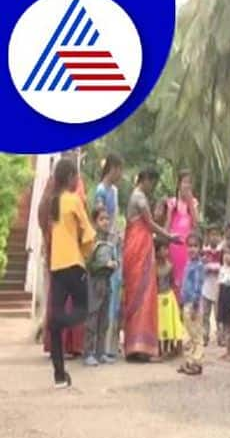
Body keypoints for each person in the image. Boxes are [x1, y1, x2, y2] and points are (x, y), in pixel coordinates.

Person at [47, 158, 95, 387]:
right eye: (76, 176)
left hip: (56, 267)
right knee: (83, 311)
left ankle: (59, 376)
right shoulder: (74, 200)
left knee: (54, 326)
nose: (78, 180)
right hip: (74, 265)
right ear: (70, 178)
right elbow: (89, 235)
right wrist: (85, 253)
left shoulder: (54, 201)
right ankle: (59, 321)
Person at [123, 168, 177, 361]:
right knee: (144, 295)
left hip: (136, 247)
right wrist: (170, 236)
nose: (152, 187)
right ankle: (142, 347)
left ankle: (134, 346)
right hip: (139, 249)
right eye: (151, 183)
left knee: (136, 295)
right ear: (144, 180)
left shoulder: (135, 197)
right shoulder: (140, 198)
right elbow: (150, 224)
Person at [93, 153, 123, 361]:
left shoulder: (114, 191)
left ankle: (108, 346)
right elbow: (101, 217)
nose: (120, 173)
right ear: (111, 168)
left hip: (115, 242)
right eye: (119, 169)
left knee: (114, 293)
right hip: (104, 243)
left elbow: (116, 217)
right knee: (102, 295)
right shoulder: (101, 191)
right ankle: (98, 347)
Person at [83, 208, 118, 367]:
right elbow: (89, 264)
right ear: (95, 222)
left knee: (104, 320)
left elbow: (115, 260)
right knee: (92, 317)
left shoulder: (110, 243)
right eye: (102, 219)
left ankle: (101, 352)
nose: (105, 222)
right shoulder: (92, 241)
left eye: (107, 219)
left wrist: (115, 264)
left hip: (107, 282)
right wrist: (104, 264)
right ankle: (88, 353)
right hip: (95, 282)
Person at [165, 170, 199, 301]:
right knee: (174, 279)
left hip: (187, 248)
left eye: (190, 183)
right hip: (174, 246)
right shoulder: (172, 202)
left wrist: (190, 203)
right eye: (185, 182)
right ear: (179, 184)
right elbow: (167, 227)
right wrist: (170, 210)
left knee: (186, 278)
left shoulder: (194, 203)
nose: (187, 186)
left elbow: (196, 224)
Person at [178, 233, 205, 376]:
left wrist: (195, 305)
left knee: (196, 335)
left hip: (194, 304)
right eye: (190, 246)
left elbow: (198, 287)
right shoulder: (188, 264)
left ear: (200, 248)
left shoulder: (199, 266)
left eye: (195, 246)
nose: (192, 249)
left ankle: (197, 363)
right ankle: (188, 361)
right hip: (186, 303)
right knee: (186, 334)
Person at [155, 237, 183, 358]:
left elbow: (172, 282)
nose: (166, 251)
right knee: (159, 324)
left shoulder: (170, 266)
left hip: (168, 297)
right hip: (158, 298)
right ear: (156, 251)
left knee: (168, 324)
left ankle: (168, 348)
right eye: (163, 249)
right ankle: (159, 349)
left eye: (167, 249)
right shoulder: (153, 267)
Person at [201, 223, 224, 346]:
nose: (214, 237)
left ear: (220, 237)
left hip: (218, 286)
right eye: (211, 235)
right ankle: (205, 335)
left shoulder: (222, 250)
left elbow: (223, 267)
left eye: (217, 235)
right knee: (205, 313)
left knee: (218, 313)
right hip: (206, 286)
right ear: (208, 236)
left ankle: (220, 336)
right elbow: (203, 266)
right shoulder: (205, 250)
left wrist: (210, 267)